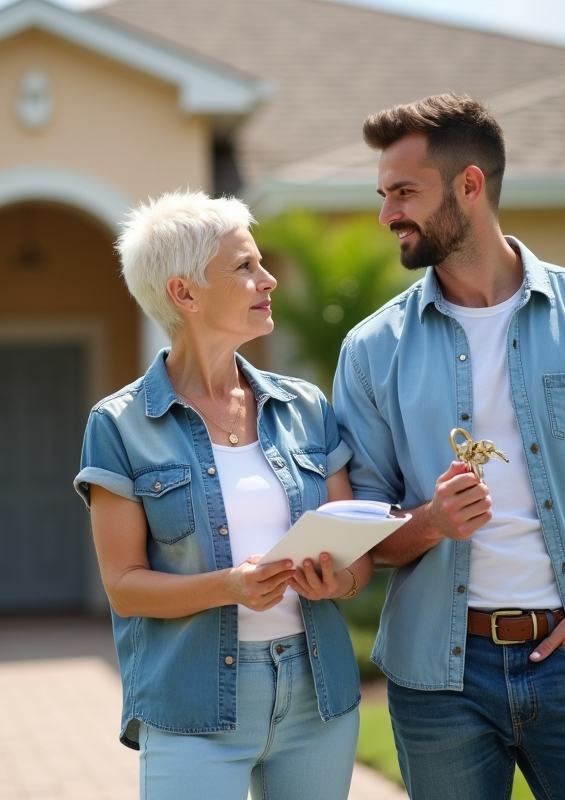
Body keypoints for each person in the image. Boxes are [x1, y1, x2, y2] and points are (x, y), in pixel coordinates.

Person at [332, 94, 565, 800]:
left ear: (469, 185)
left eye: (403, 192)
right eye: (382, 195)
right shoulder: (372, 350)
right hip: (438, 683)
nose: (386, 215)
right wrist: (429, 523)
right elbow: (358, 534)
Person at [74, 190, 371, 800]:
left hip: (317, 699)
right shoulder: (120, 424)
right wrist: (230, 588)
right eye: (244, 268)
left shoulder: (305, 407)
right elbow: (124, 587)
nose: (268, 280)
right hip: (191, 707)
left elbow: (356, 557)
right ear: (184, 293)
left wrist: (335, 580)